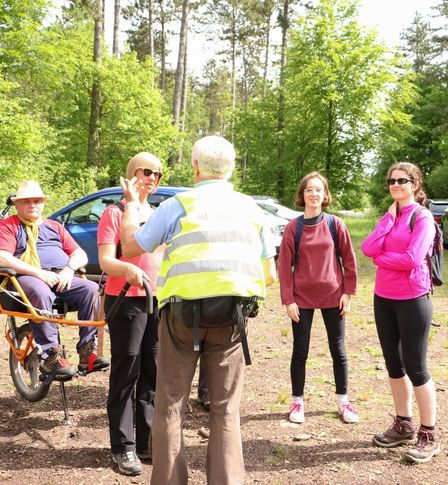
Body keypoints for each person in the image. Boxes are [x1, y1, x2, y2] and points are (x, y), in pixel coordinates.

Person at [119, 135, 277, 484]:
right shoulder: (253, 209)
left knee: (170, 405)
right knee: (225, 410)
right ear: (232, 169)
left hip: (180, 317)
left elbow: (131, 247)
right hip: (232, 319)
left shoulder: (178, 205)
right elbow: (269, 274)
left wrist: (131, 206)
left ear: (194, 167)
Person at [360, 162, 440, 464]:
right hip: (384, 298)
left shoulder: (422, 217)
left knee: (416, 367)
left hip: (412, 299)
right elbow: (368, 248)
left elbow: (412, 258)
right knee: (393, 364)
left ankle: (429, 434)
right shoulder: (390, 216)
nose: (396, 185)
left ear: (415, 184)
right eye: (391, 181)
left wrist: (382, 258)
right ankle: (403, 424)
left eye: (402, 180)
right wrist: (385, 225)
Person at [0, 180, 109, 377]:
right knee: (40, 290)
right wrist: (39, 273)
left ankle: (88, 352)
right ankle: (50, 355)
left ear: (43, 203)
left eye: (37, 201)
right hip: (25, 277)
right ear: (17, 204)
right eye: (26, 201)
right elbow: (2, 258)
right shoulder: (6, 226)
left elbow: (80, 255)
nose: (32, 205)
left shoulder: (54, 226)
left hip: (60, 276)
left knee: (91, 289)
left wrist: (69, 269)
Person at [97, 153, 164, 476]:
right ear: (131, 174)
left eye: (158, 175)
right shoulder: (114, 213)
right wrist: (127, 269)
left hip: (157, 301)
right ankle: (122, 447)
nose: (152, 178)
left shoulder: (160, 214)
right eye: (146, 171)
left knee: (152, 371)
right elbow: (106, 261)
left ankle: (147, 441)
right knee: (127, 372)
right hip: (125, 301)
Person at [277, 172, 358, 425]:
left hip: (334, 297)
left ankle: (344, 401)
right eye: (309, 190)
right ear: (302, 195)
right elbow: (284, 266)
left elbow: (350, 261)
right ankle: (297, 401)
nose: (314, 194)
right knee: (300, 350)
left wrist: (348, 292)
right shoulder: (294, 227)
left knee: (338, 350)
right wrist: (288, 299)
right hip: (301, 299)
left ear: (325, 196)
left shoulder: (336, 225)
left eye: (318, 190)